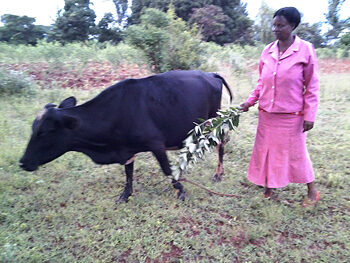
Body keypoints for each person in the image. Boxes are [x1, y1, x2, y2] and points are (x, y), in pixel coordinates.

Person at [240, 7, 320, 207]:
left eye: (280, 25)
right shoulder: (267, 50)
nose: (275, 29)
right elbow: (261, 82)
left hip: (291, 115)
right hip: (267, 114)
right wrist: (250, 101)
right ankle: (269, 187)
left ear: (292, 26)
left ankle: (312, 191)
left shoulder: (305, 50)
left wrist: (310, 115)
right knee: (266, 152)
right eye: (274, 25)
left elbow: (312, 85)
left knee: (297, 154)